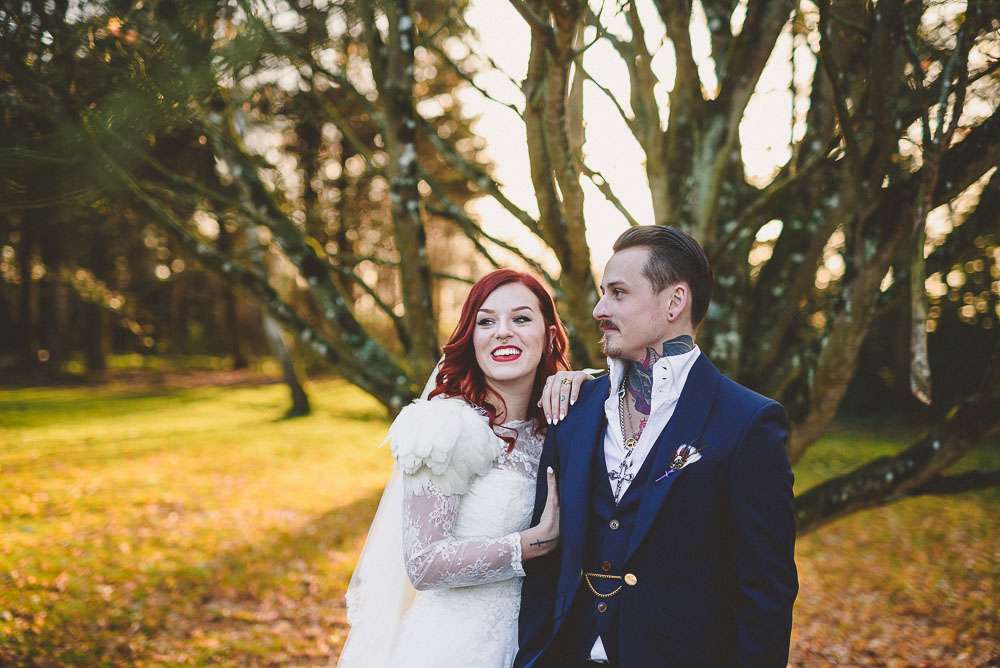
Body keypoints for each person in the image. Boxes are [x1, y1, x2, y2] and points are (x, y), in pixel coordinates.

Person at [515, 226, 798, 667]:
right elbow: (546, 570)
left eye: (618, 293)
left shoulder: (746, 422)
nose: (599, 309)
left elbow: (765, 592)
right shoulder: (573, 408)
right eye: (602, 294)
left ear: (674, 301)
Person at [338, 268, 590, 668]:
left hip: (535, 644)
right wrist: (534, 542)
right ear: (471, 338)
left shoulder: (558, 429)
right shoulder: (446, 426)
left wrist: (582, 384)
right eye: (486, 322)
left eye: (521, 318)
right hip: (455, 647)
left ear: (549, 334)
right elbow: (424, 563)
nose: (502, 332)